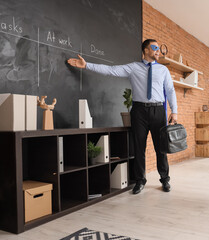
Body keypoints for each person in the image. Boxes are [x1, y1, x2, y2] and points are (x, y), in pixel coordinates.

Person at [67, 39, 178, 194]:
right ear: (145, 50)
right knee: (139, 148)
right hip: (139, 111)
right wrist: (87, 65)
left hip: (158, 110)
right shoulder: (133, 68)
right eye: (154, 48)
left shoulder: (163, 70)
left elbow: (170, 90)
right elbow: (110, 70)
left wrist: (174, 111)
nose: (158, 51)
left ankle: (165, 180)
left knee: (161, 148)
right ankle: (140, 180)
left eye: (159, 48)